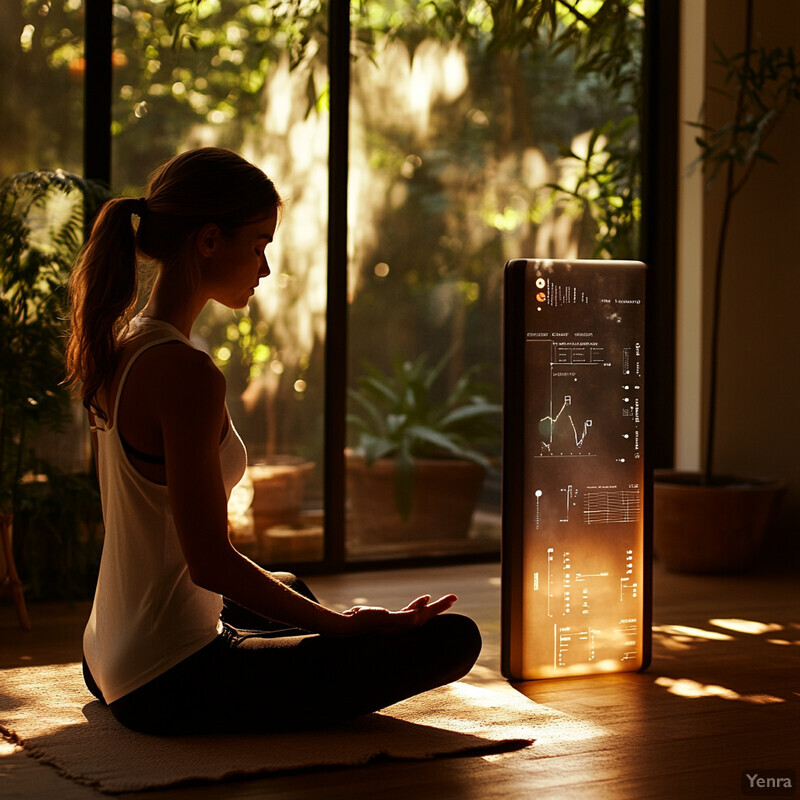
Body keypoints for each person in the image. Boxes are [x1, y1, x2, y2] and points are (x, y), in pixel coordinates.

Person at [65, 147, 481, 735]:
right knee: (451, 639)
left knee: (292, 588)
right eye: (259, 244)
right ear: (210, 240)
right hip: (167, 680)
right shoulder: (186, 373)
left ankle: (297, 633)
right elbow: (209, 562)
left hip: (105, 652)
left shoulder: (126, 342)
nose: (264, 267)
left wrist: (331, 617)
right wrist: (343, 625)